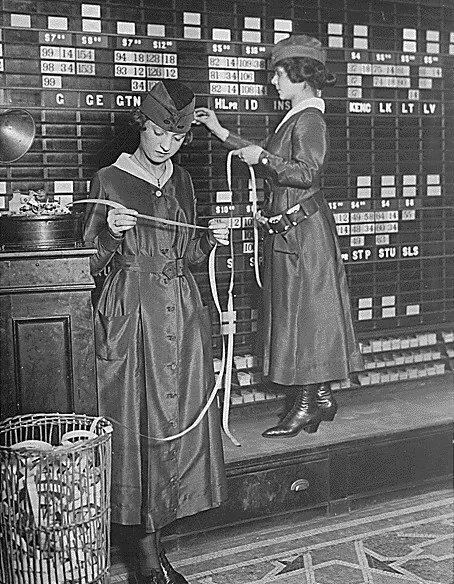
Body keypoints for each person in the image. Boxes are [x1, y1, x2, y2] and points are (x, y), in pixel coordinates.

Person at [83, 80, 229, 584]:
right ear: (140, 127)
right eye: (157, 133)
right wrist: (110, 233)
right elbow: (90, 264)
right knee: (139, 430)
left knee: (173, 430)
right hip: (133, 318)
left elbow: (187, 254)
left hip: (181, 318)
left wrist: (209, 239)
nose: (166, 145)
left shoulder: (183, 181)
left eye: (177, 138)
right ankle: (144, 558)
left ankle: (156, 547)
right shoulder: (109, 178)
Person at [195, 34, 363, 439]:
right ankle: (319, 398)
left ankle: (307, 406)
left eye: (278, 73)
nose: (273, 81)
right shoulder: (298, 116)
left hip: (302, 236)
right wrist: (222, 134)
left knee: (304, 319)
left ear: (300, 75)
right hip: (296, 235)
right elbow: (276, 160)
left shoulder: (310, 119)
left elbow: (307, 172)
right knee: (305, 317)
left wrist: (264, 159)